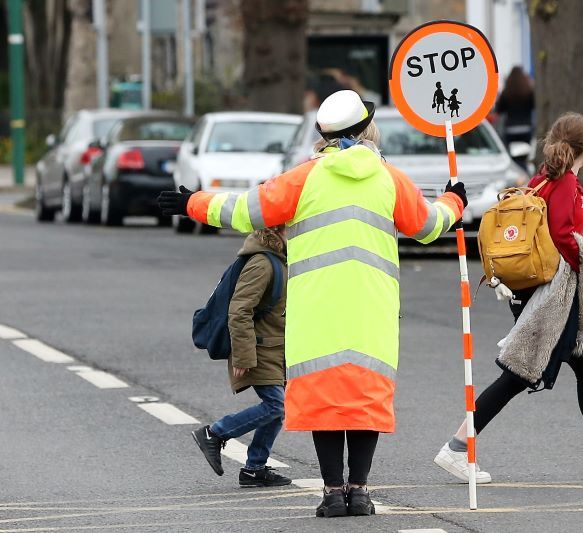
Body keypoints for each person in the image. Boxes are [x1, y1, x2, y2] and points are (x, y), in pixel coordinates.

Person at [158, 90, 467, 518]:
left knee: (325, 399)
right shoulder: (389, 178)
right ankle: (359, 492)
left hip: (316, 311)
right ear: (366, 130)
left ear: (322, 135)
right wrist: (455, 200)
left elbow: (245, 211)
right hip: (370, 311)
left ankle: (331, 493)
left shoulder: (303, 178)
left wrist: (192, 202)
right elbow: (429, 226)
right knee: (364, 399)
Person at [434, 112, 583, 484]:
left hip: (536, 291)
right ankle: (457, 448)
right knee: (519, 373)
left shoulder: (543, 178)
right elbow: (561, 235)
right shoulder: (566, 182)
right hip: (554, 296)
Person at [191, 227, 292, 488]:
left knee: (278, 410)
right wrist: (243, 357)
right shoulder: (262, 262)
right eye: (293, 227)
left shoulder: (280, 258)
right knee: (275, 406)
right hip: (258, 348)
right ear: (278, 229)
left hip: (274, 347)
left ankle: (254, 469)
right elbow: (239, 310)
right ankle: (214, 433)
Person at [495, 66, 536, 149]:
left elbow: (499, 109)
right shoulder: (528, 92)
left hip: (510, 128)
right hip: (526, 127)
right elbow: (533, 106)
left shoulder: (506, 92)